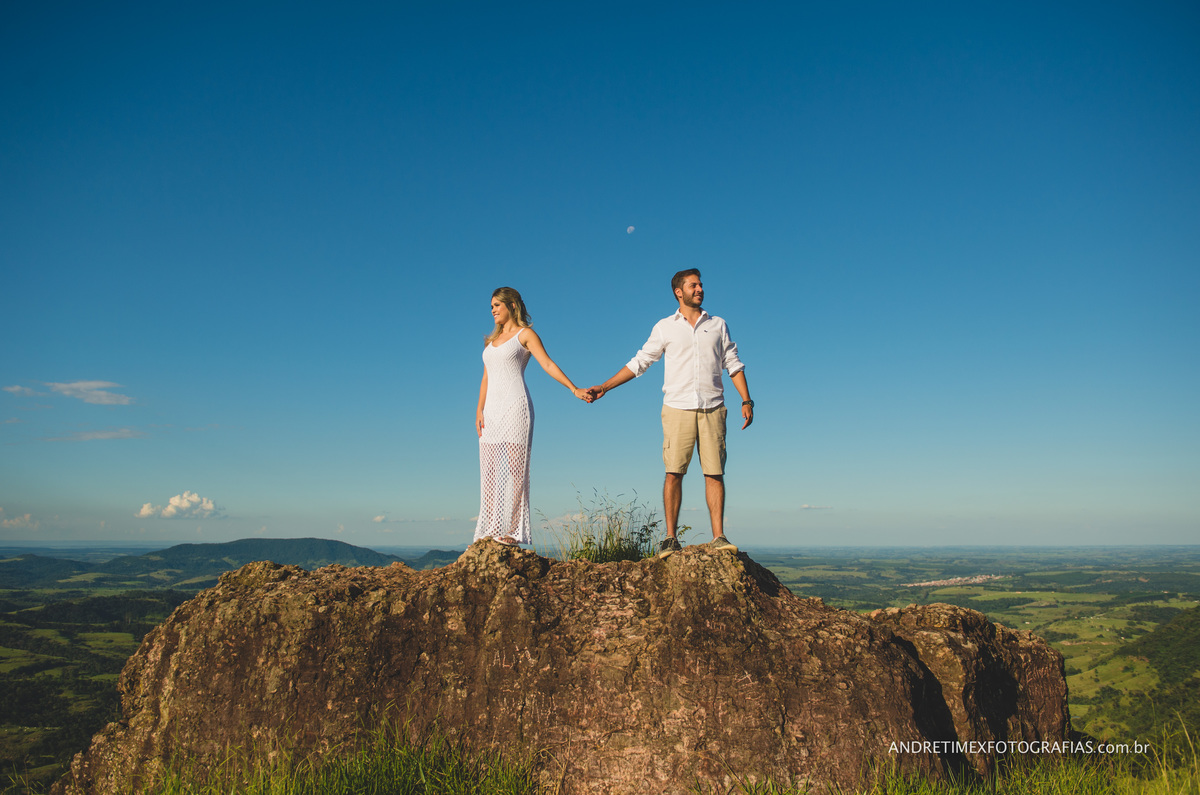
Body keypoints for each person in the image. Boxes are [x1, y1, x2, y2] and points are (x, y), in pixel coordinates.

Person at [587, 269, 753, 557]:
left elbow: (733, 363)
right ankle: (669, 538)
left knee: (714, 472)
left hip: (713, 406)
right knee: (674, 471)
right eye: (693, 285)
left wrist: (747, 400)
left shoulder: (718, 325)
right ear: (679, 291)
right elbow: (640, 362)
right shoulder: (665, 327)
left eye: (701, 284)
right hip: (677, 407)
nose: (700, 289)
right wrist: (605, 386)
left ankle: (719, 537)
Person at [475, 287, 591, 546]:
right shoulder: (490, 342)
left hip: (516, 408)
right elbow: (486, 378)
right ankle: (491, 528)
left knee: (517, 471)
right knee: (490, 471)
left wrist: (573, 389)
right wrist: (479, 409)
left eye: (497, 305)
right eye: (491, 306)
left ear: (512, 306)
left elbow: (547, 363)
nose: (493, 310)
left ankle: (513, 532)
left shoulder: (525, 335)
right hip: (490, 413)